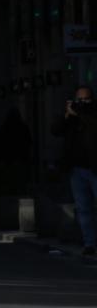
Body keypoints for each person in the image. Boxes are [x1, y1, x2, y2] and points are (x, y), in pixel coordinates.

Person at [52, 86, 97, 256]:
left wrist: (81, 115)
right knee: (83, 208)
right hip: (76, 169)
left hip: (94, 168)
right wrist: (67, 116)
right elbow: (55, 130)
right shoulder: (71, 117)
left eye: (85, 100)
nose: (81, 103)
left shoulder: (92, 115)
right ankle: (89, 243)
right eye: (78, 100)